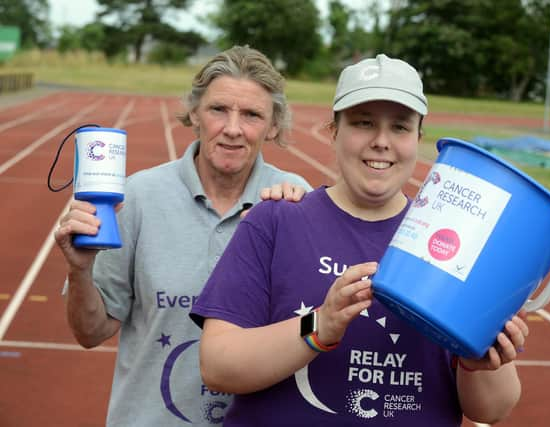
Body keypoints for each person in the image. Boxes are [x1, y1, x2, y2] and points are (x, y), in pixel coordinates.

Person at [190, 54, 529, 426]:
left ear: (418, 138)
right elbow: (218, 365)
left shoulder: (454, 245)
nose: (381, 141)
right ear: (333, 131)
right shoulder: (275, 219)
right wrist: (319, 326)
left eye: (399, 127)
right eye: (363, 123)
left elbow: (492, 410)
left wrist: (478, 362)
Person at [54, 45, 312, 427]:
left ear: (273, 125)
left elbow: (310, 327)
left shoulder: (295, 200)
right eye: (218, 109)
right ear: (194, 113)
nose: (233, 128)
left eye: (252, 115)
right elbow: (91, 332)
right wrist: (79, 272)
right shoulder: (137, 197)